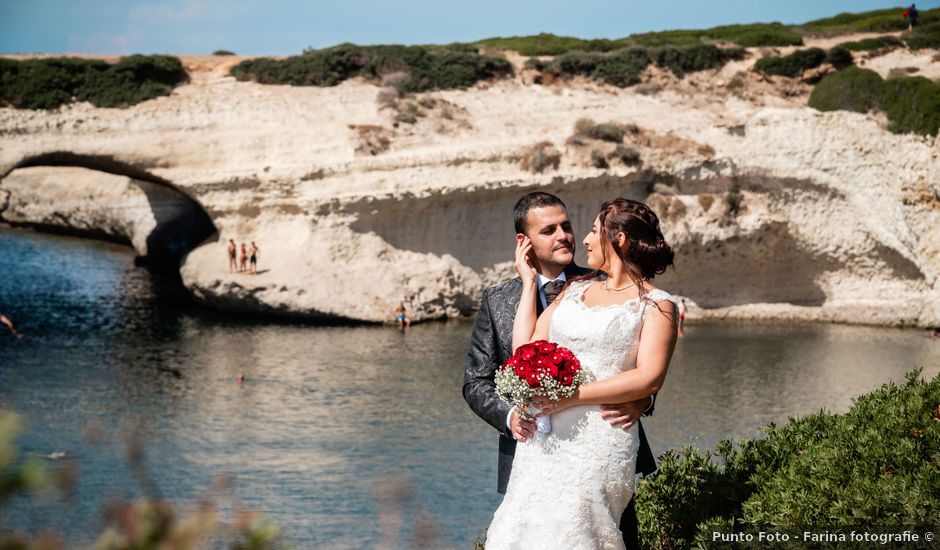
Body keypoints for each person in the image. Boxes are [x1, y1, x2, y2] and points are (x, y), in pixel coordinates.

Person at [463, 192, 658, 550]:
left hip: (601, 446)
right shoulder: (497, 300)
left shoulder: (602, 281)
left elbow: (636, 352)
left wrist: (643, 399)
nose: (564, 236)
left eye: (566, 226)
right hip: (532, 455)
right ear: (524, 242)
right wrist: (510, 418)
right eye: (549, 230)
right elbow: (475, 382)